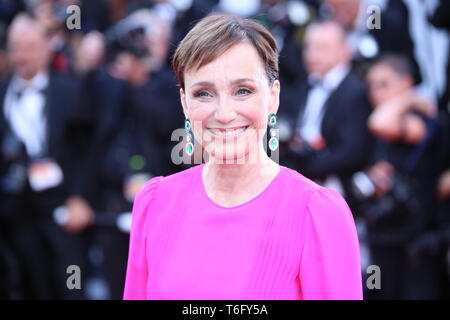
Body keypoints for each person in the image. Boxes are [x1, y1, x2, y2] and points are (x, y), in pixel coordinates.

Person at [123, 13, 362, 300]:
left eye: (243, 91)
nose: (224, 114)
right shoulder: (155, 203)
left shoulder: (317, 213)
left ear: (273, 96)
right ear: (185, 102)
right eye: (204, 93)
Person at [360, 54, 444, 299]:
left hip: (415, 240)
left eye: (384, 84)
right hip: (384, 233)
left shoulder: (417, 121)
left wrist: (410, 97)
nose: (376, 92)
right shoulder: (380, 123)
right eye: (372, 86)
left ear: (406, 82)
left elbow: (380, 122)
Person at [280, 19, 372, 212]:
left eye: (322, 48)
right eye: (309, 47)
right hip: (295, 177)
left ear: (345, 50)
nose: (312, 55)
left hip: (335, 187)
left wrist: (303, 168)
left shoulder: (356, 91)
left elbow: (352, 152)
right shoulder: (303, 84)